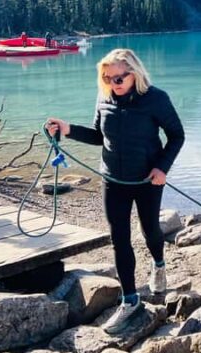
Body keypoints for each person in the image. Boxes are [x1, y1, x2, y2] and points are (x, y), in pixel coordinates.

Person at [46, 48, 185, 334]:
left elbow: (177, 135)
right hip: (112, 180)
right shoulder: (104, 98)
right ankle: (130, 300)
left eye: (119, 78)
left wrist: (162, 168)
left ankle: (158, 264)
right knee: (119, 239)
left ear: (135, 73)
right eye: (108, 79)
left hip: (147, 180)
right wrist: (67, 129)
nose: (114, 84)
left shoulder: (156, 99)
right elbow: (99, 136)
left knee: (150, 231)